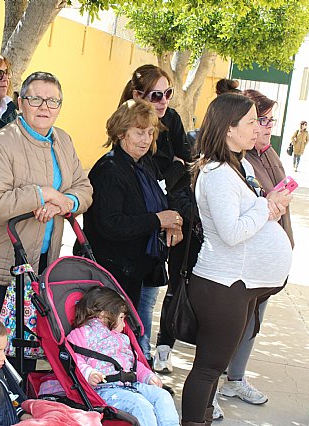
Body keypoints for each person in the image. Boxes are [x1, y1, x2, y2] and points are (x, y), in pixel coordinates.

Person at [180, 93, 293, 426]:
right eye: (250, 122)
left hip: (241, 283)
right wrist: (265, 205)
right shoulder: (216, 174)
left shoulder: (240, 165)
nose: (257, 128)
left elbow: (251, 217)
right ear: (229, 130)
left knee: (214, 368)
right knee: (208, 368)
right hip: (223, 283)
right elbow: (231, 232)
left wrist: (269, 207)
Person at [0, 71, 92, 316]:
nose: (44, 107)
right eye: (35, 99)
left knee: (29, 351)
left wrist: (63, 203)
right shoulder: (1, 143)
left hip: (42, 265)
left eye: (52, 101)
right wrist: (42, 194)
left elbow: (83, 188)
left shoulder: (63, 140)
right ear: (20, 103)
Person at [118, 64, 191, 362]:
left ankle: (143, 357)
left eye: (168, 94)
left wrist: (172, 171)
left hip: (161, 222)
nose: (164, 101)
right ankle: (136, 357)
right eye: (156, 95)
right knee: (131, 305)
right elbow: (148, 177)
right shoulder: (117, 160)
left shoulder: (171, 118)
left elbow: (186, 162)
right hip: (138, 234)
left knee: (149, 299)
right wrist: (172, 169)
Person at [83, 99, 183, 311]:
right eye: (139, 132)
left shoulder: (144, 163)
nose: (146, 139)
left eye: (150, 132)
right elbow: (110, 224)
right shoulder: (109, 170)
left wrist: (171, 222)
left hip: (138, 270)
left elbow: (160, 197)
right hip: (110, 275)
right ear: (121, 133)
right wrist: (157, 220)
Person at [66, 286, 179, 426]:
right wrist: (88, 372)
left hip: (131, 384)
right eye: (121, 318)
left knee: (163, 396)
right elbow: (75, 359)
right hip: (105, 390)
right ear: (103, 315)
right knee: (141, 405)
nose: (123, 323)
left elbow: (134, 363)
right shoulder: (82, 334)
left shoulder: (122, 337)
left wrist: (148, 376)